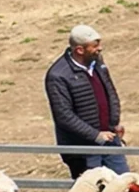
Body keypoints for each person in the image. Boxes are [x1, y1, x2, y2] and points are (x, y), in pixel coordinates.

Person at [46, 24, 128, 176]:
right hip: (83, 150)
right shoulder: (58, 75)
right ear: (79, 50)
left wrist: (113, 123)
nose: (100, 48)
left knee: (123, 187)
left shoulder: (97, 63)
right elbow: (64, 115)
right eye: (95, 46)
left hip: (110, 141)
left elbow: (110, 93)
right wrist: (95, 135)